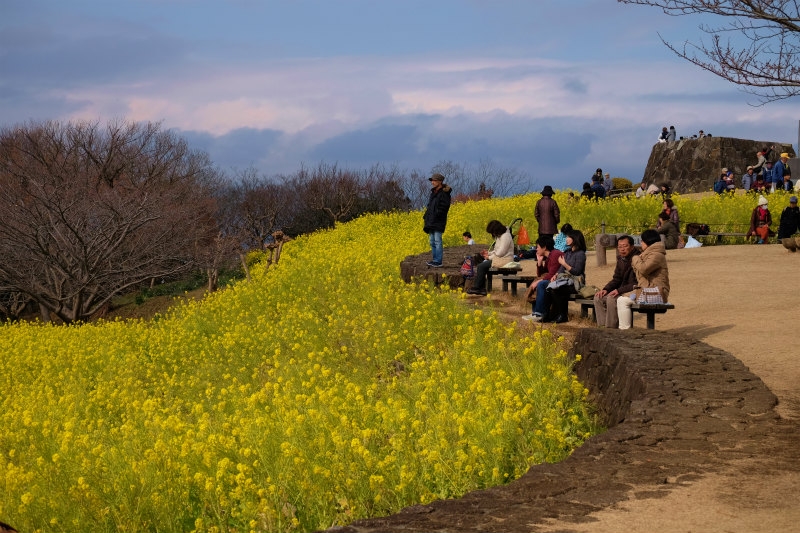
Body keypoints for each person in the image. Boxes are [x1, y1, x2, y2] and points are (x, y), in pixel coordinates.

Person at [617, 229, 670, 330]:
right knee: (621, 299)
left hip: (657, 292)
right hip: (648, 290)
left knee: (622, 301)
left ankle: (625, 331)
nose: (641, 243)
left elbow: (644, 269)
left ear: (648, 241)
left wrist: (635, 258)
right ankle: (624, 330)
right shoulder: (649, 254)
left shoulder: (657, 255)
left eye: (642, 241)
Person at [594, 234, 640, 329]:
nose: (622, 249)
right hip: (621, 290)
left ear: (632, 247)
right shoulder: (621, 260)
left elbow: (637, 283)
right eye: (620, 247)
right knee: (598, 297)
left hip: (631, 292)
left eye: (625, 246)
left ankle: (611, 329)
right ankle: (602, 327)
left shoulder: (637, 259)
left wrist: (619, 291)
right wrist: (606, 289)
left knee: (611, 298)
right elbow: (616, 279)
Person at [544, 230, 588, 324]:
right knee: (549, 287)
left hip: (576, 283)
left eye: (568, 237)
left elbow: (577, 272)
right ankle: (550, 314)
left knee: (557, 289)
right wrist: (555, 275)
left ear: (575, 239)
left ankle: (562, 315)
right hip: (565, 280)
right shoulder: (568, 252)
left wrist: (564, 263)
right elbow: (561, 268)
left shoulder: (580, 254)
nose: (566, 239)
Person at [466, 220, 514, 296]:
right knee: (481, 265)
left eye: (493, 232)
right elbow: (496, 251)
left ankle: (478, 287)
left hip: (505, 260)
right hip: (500, 258)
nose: (493, 234)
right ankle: (481, 289)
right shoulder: (500, 236)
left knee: (481, 266)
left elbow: (500, 253)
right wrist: (488, 253)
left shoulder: (505, 236)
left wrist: (489, 257)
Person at [521, 235, 563, 321]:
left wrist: (538, 281)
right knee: (539, 282)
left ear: (544, 247)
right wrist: (539, 262)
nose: (536, 249)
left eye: (538, 247)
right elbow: (541, 274)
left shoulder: (555, 254)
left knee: (541, 284)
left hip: (560, 280)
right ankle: (535, 313)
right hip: (554, 279)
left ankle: (539, 313)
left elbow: (552, 274)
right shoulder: (549, 257)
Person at [423, 173, 451, 267]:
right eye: (432, 180)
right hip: (431, 220)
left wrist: (436, 214)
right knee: (432, 241)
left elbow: (445, 207)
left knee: (437, 240)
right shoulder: (433, 192)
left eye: (434, 180)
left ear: (440, 181)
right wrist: (426, 216)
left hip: (438, 220)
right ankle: (435, 260)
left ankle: (438, 261)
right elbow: (430, 206)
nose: (432, 182)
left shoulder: (444, 193)